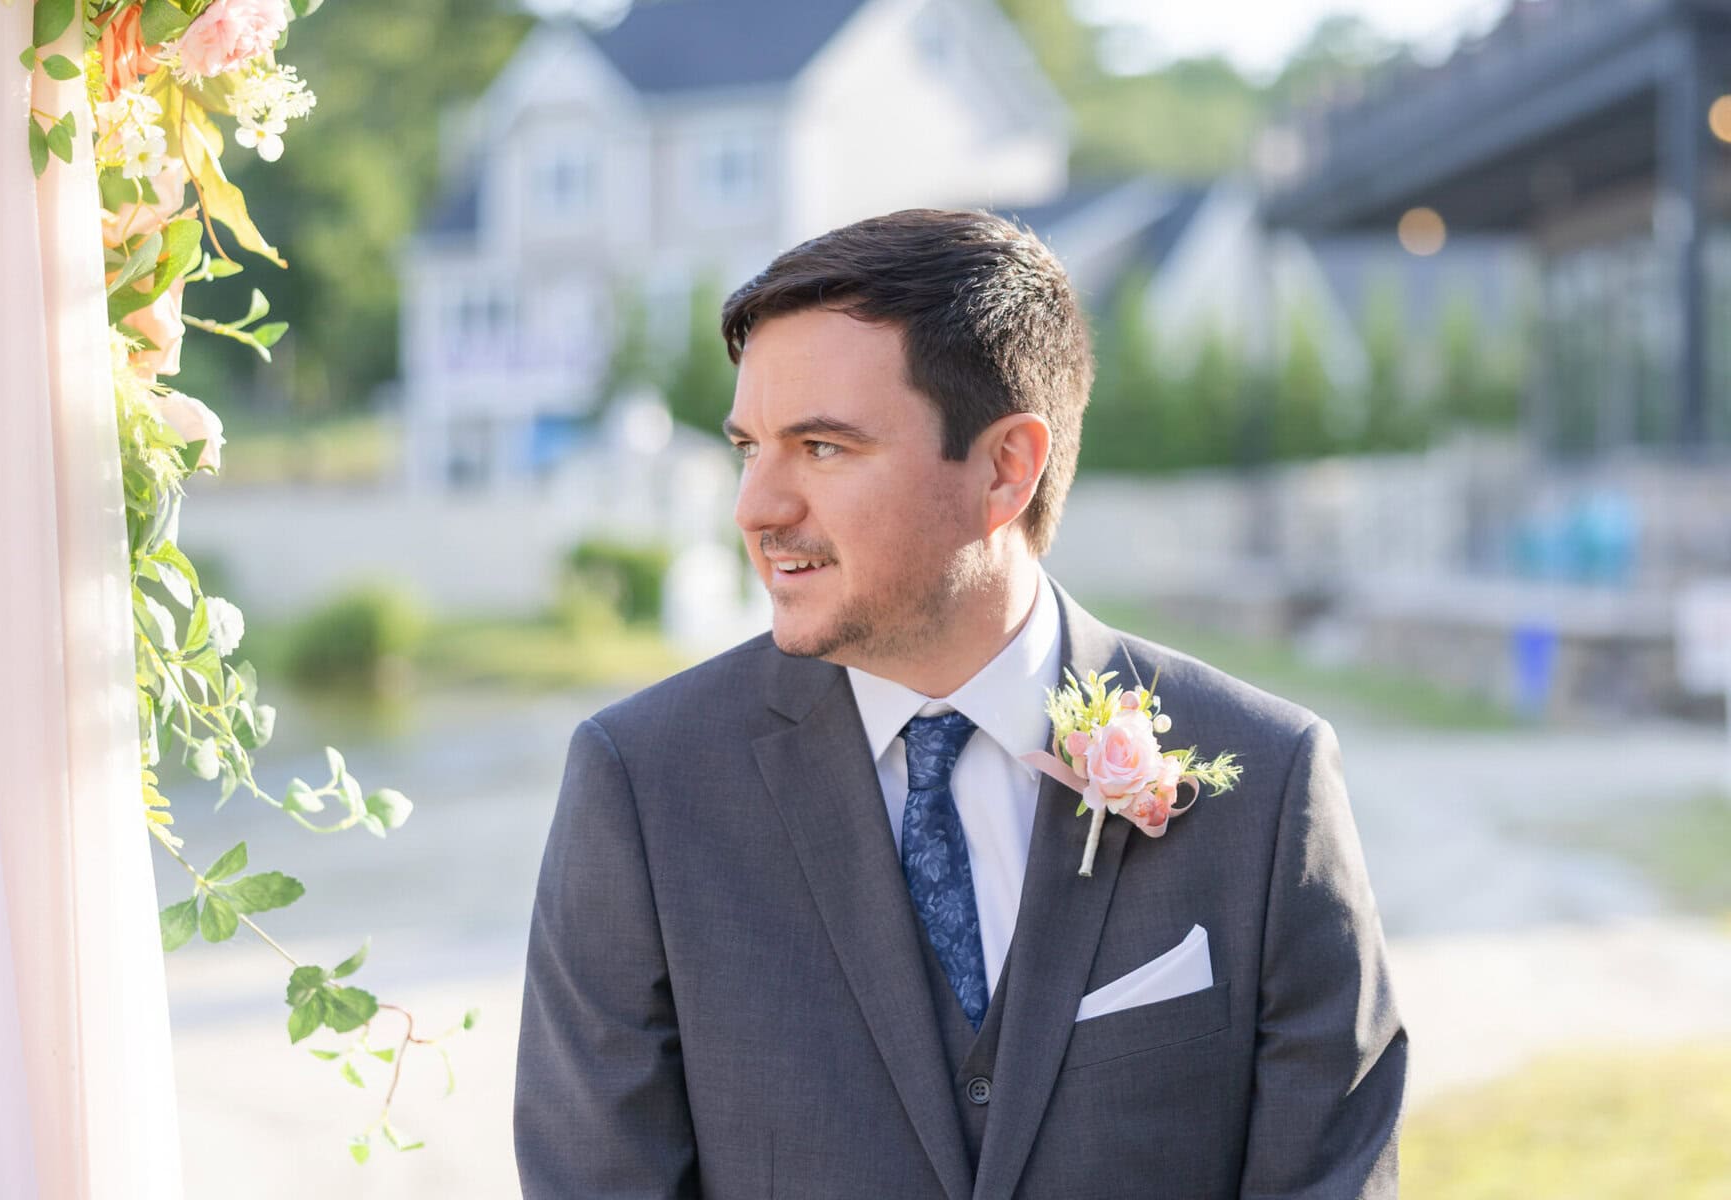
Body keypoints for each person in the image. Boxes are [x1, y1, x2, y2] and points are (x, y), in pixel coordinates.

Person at [514, 209, 1407, 1199]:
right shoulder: (644, 785)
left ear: (1004, 469)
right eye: (748, 448)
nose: (756, 508)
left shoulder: (1270, 782)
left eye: (820, 449)